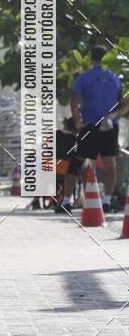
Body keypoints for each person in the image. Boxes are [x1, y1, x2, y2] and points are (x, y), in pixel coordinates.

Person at [57, 45, 128, 214]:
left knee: (76, 162)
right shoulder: (116, 78)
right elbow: (125, 104)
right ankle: (106, 202)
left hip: (89, 126)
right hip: (110, 127)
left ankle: (66, 201)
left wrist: (77, 121)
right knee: (110, 164)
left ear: (91, 59)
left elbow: (74, 100)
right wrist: (116, 114)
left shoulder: (84, 77)